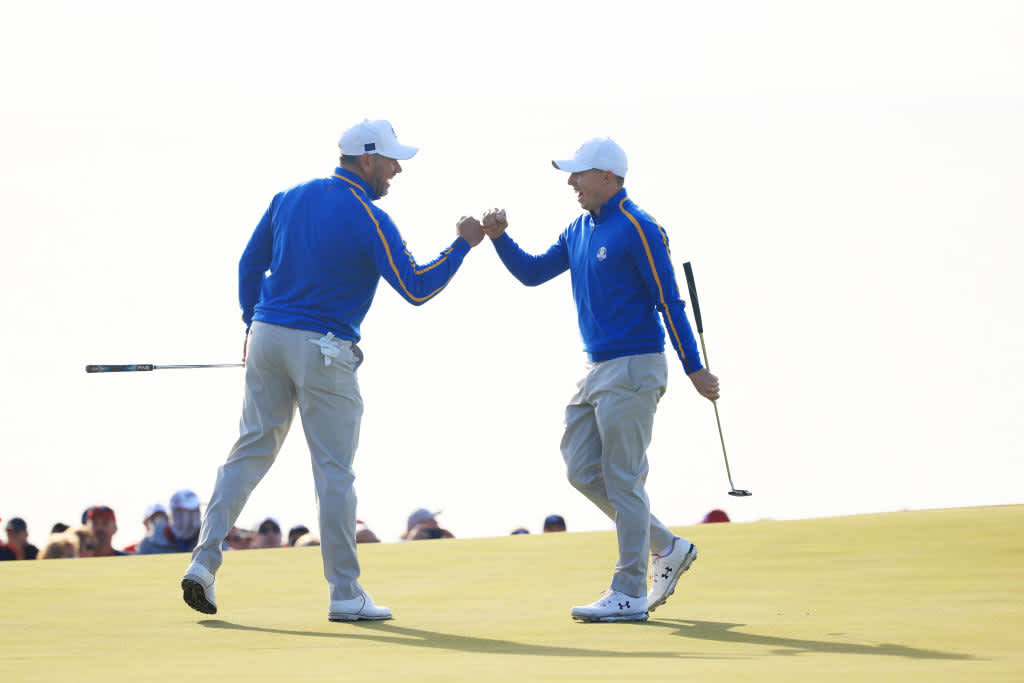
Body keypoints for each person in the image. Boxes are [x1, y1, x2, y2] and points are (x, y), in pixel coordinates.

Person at [181, 119, 485, 623]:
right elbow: (416, 287)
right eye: (391, 161)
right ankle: (345, 592)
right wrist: (462, 245)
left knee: (248, 453)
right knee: (333, 473)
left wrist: (252, 323)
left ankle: (204, 562)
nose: (397, 170)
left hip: (267, 335)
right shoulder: (370, 217)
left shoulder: (288, 197)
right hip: (324, 349)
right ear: (367, 160)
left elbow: (249, 265)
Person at [479, 137, 720, 623]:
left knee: (625, 480)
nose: (571, 181)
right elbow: (532, 273)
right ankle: (667, 546)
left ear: (607, 177)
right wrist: (500, 238)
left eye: (579, 173)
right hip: (596, 369)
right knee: (581, 469)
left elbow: (668, 301)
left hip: (635, 365)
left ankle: (629, 592)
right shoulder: (579, 228)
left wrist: (694, 369)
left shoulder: (639, 227)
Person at [139, 490, 202, 554]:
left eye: (195, 511)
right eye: (183, 512)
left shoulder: (205, 539)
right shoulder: (149, 544)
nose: (189, 518)